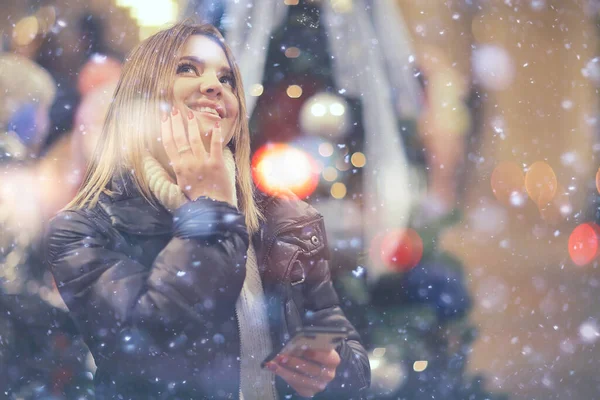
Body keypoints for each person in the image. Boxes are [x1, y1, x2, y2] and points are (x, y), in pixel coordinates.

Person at [44, 22, 370, 399]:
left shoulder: (288, 219)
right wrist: (211, 207)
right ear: (143, 96)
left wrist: (332, 369)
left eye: (227, 78)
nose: (215, 86)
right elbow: (151, 346)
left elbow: (353, 368)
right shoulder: (84, 228)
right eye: (187, 69)